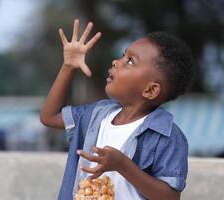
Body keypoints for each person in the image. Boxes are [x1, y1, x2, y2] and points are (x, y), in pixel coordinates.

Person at [40, 19, 195, 200]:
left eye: (130, 61)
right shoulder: (96, 115)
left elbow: (170, 197)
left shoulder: (167, 137)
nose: (116, 62)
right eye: (123, 55)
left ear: (150, 90)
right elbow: (49, 117)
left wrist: (122, 164)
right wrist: (68, 66)